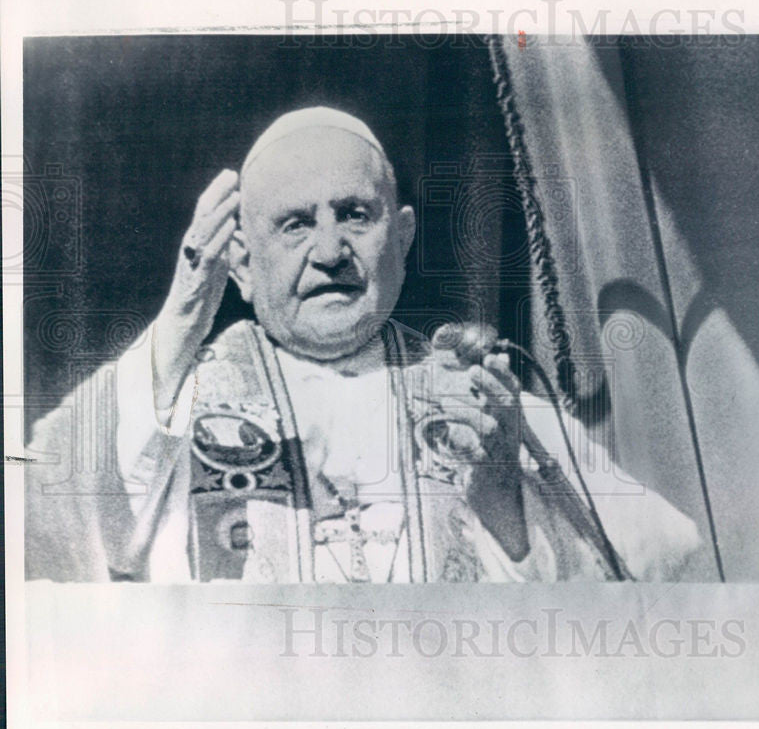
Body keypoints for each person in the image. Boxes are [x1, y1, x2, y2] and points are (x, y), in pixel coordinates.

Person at [25, 107, 700, 583]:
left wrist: (504, 501)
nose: (329, 251)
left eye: (354, 214)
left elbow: (662, 560)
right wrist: (177, 324)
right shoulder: (181, 398)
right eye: (295, 224)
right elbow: (49, 520)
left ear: (402, 239)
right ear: (242, 267)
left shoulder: (474, 394)